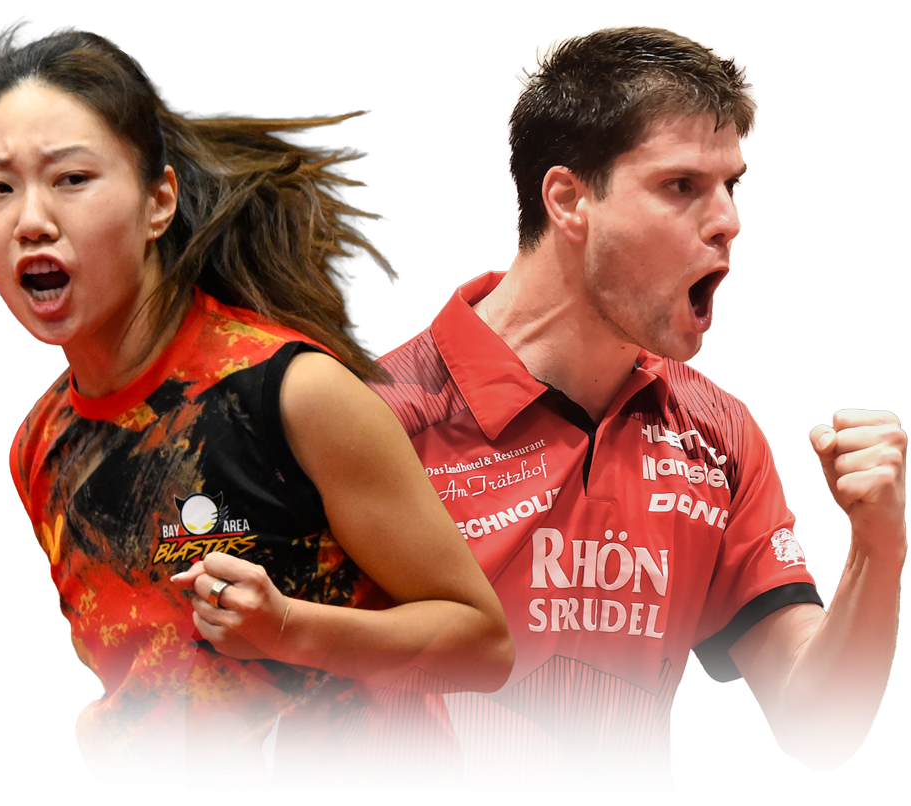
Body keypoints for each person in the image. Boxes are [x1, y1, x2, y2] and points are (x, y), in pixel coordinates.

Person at [0, 21, 514, 792]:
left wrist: (291, 630)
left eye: (71, 179)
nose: (31, 218)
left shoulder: (295, 394)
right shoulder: (41, 445)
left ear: (158, 202)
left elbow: (483, 643)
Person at [366, 25, 908, 798]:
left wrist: (879, 550)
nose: (728, 221)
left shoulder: (719, 432)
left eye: (734, 185)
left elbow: (816, 729)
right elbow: (230, 693)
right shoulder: (373, 416)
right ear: (567, 199)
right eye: (682, 185)